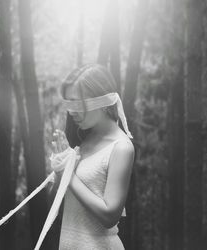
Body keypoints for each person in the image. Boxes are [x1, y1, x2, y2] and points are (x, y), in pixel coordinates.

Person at [51, 64, 135, 250]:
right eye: (69, 104)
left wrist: (69, 174)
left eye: (77, 103)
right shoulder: (83, 139)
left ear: (102, 101)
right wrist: (60, 168)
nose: (71, 111)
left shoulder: (121, 147)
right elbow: (65, 198)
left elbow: (109, 216)